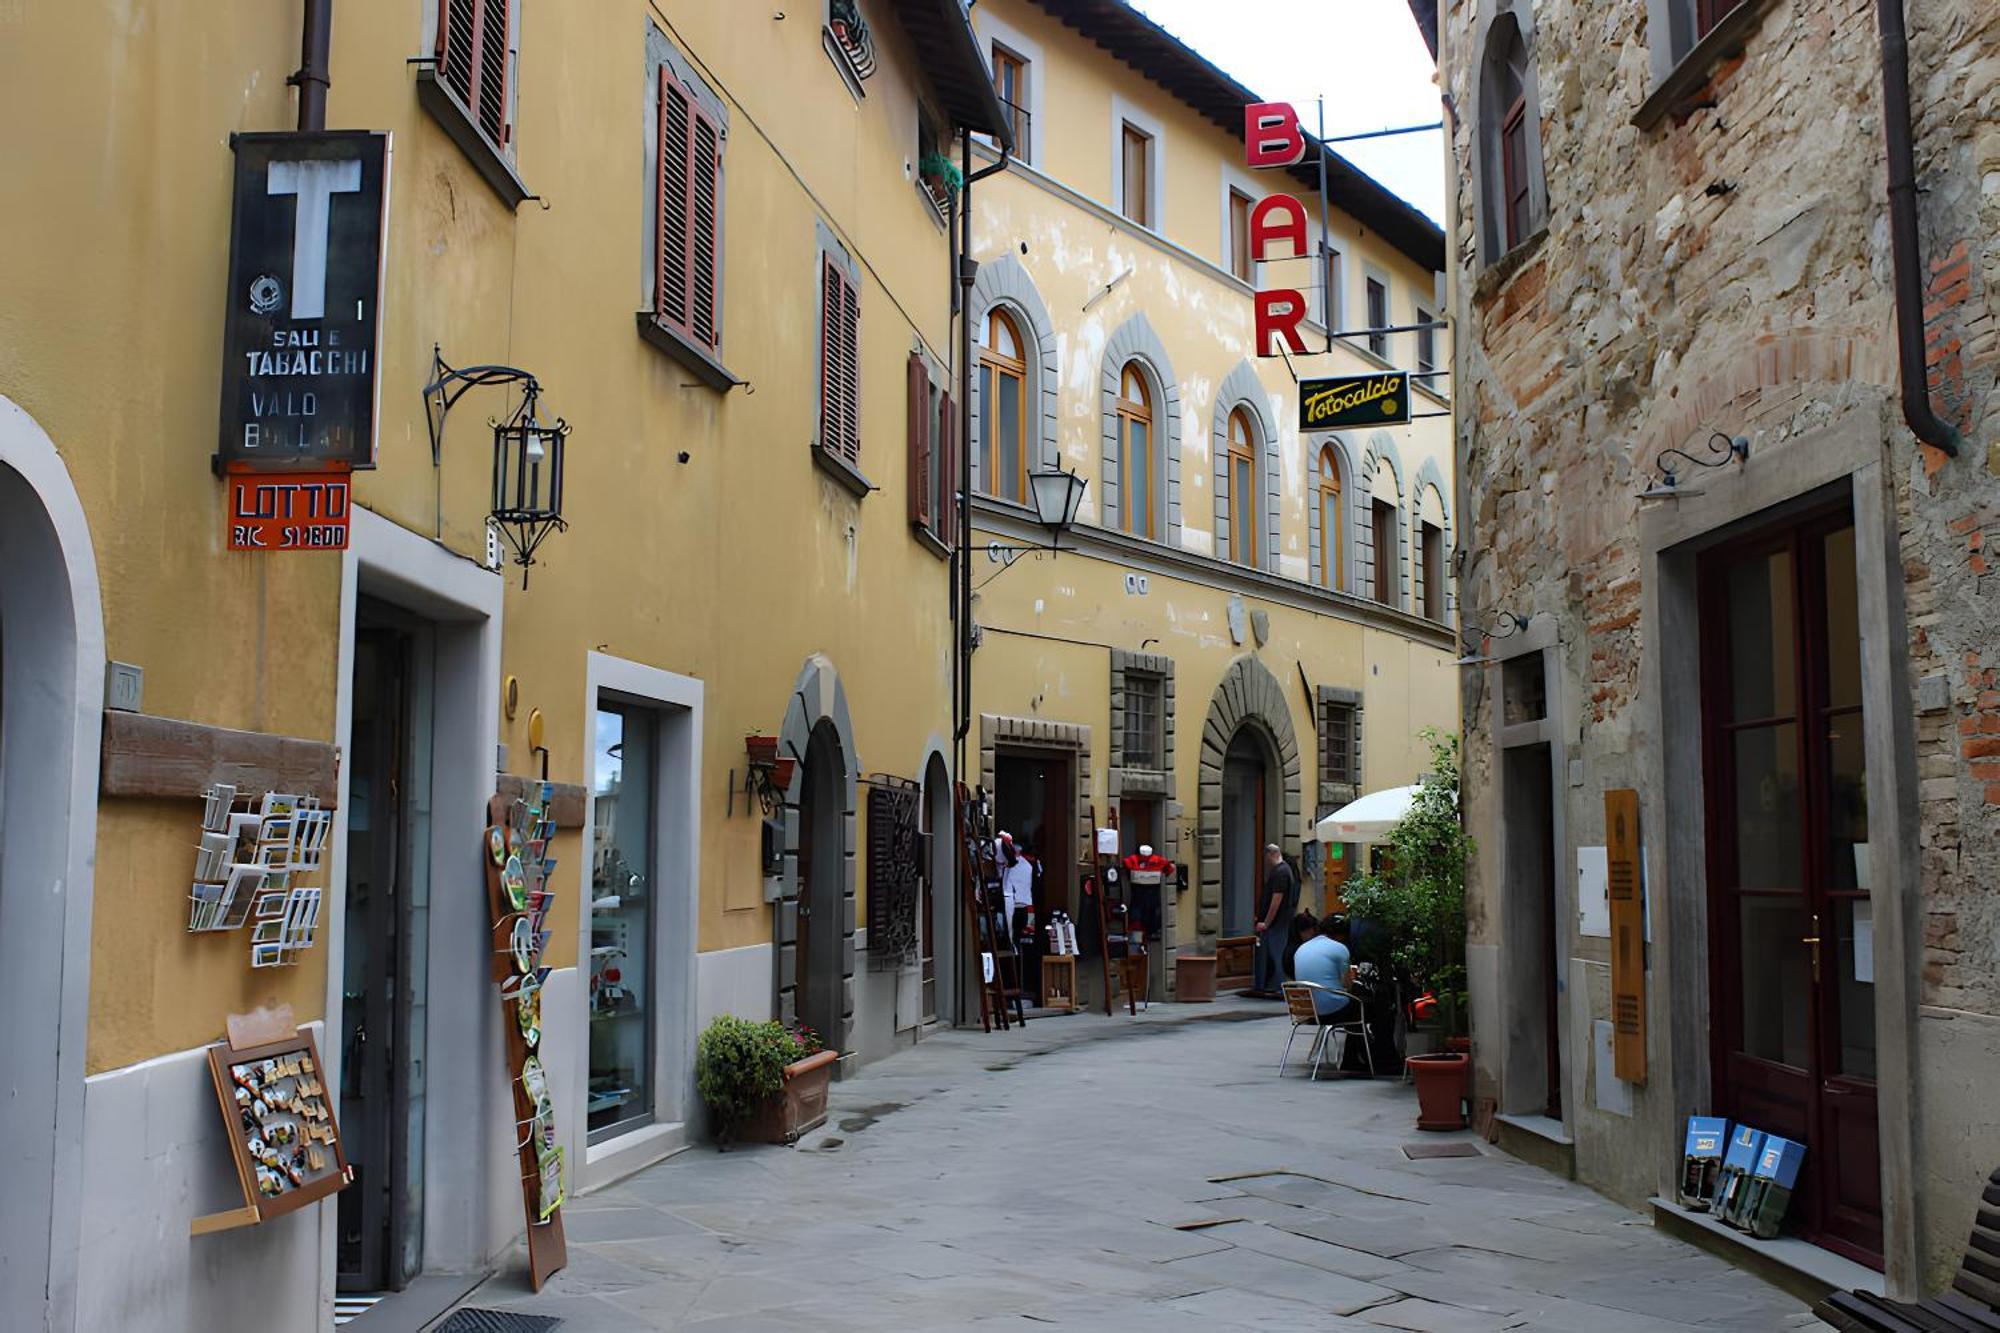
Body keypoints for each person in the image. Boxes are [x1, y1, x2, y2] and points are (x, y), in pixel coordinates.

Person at [1251, 843, 1299, 998]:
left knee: (1277, 954)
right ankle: (1267, 985)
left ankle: (1281, 987)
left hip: (1277, 923)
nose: (1265, 861)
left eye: (1266, 857)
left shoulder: (1280, 873)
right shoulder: (1284, 871)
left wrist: (1267, 922)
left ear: (1270, 855)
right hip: (1278, 922)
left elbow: (1276, 900)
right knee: (1273, 953)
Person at [1292, 913, 1358, 1021]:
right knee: (1362, 1006)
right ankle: (1358, 1038)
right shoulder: (1340, 948)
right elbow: (1347, 984)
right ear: (1342, 934)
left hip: (1305, 1011)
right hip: (1332, 1010)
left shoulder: (1301, 948)